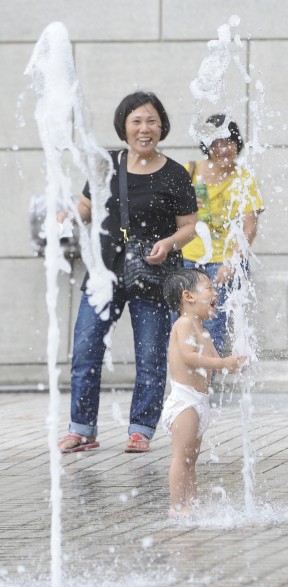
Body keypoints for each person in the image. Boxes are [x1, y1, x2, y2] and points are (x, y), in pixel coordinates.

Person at [57, 91, 198, 454]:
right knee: (86, 348)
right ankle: (82, 428)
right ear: (124, 126)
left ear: (162, 126)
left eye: (151, 120)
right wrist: (67, 217)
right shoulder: (108, 165)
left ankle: (141, 428)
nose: (144, 128)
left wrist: (168, 242)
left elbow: (189, 227)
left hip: (152, 276)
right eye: (136, 121)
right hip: (104, 275)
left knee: (150, 355)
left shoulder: (176, 174)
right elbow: (87, 206)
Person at [162, 268, 245, 517]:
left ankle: (192, 503)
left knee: (191, 460)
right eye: (208, 288)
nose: (215, 293)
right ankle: (177, 506)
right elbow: (189, 357)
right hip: (184, 401)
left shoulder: (204, 330)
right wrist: (223, 364)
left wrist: (235, 364)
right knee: (180, 457)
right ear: (188, 296)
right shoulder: (184, 324)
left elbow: (217, 361)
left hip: (199, 401)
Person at [182, 114, 264, 355]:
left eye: (229, 141)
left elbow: (250, 227)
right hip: (189, 259)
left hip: (225, 261)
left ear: (237, 144)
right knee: (184, 323)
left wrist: (232, 262)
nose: (223, 149)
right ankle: (186, 382)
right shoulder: (191, 171)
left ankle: (206, 382)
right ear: (207, 146)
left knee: (213, 325)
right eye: (216, 143)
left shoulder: (244, 178)